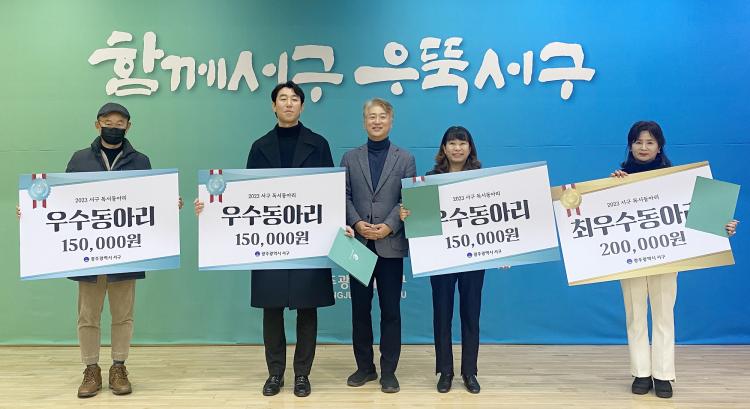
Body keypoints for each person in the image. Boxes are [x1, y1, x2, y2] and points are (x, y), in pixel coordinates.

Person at [16, 102, 183, 398]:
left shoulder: (140, 161)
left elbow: (150, 201)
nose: (114, 127)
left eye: (120, 123)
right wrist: (32, 210)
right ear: (97, 124)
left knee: (123, 314)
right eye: (108, 122)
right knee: (88, 315)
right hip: (87, 254)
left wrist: (169, 204)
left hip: (127, 253)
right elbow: (61, 200)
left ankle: (119, 366)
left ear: (128, 127)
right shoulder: (80, 159)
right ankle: (91, 368)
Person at [194, 81, 337, 398]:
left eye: (294, 99)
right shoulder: (259, 146)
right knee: (271, 310)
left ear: (302, 106)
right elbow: (243, 196)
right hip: (269, 241)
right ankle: (275, 374)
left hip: (307, 239)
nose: (288, 103)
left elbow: (331, 192)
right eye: (282, 98)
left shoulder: (319, 144)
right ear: (273, 106)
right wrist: (210, 206)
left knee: (307, 309)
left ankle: (302, 375)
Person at [611, 120, 739, 399]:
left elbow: (702, 214)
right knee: (635, 315)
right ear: (630, 145)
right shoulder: (615, 181)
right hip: (629, 257)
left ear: (659, 147)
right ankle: (641, 373)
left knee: (663, 314)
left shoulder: (677, 179)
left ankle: (663, 374)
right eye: (638, 142)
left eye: (650, 142)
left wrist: (724, 225)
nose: (643, 147)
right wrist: (609, 187)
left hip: (665, 257)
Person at [399, 125, 484, 394]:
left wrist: (502, 250)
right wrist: (407, 214)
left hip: (473, 257)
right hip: (441, 258)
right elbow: (420, 219)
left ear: (470, 148)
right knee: (442, 314)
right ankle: (445, 371)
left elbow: (494, 219)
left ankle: (470, 372)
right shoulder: (430, 179)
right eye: (452, 143)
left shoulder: (482, 179)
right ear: (444, 148)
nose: (457, 148)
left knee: (471, 314)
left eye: (462, 143)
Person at [340, 98, 416, 393]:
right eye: (371, 116)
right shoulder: (350, 157)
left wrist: (388, 226)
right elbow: (343, 195)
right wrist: (357, 222)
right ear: (364, 121)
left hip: (390, 244)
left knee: (391, 310)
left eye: (382, 116)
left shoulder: (405, 158)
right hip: (357, 243)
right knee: (359, 310)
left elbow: (407, 198)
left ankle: (388, 371)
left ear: (391, 121)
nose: (376, 121)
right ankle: (365, 368)